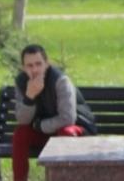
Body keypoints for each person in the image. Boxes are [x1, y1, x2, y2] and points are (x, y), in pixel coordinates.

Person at [12, 44, 96, 181]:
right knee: (21, 133)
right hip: (47, 133)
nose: (35, 69)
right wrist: (29, 97)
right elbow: (22, 120)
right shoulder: (21, 82)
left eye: (39, 64)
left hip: (77, 130)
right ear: (23, 68)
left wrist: (41, 126)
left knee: (66, 131)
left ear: (47, 63)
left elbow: (68, 118)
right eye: (30, 65)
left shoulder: (61, 80)